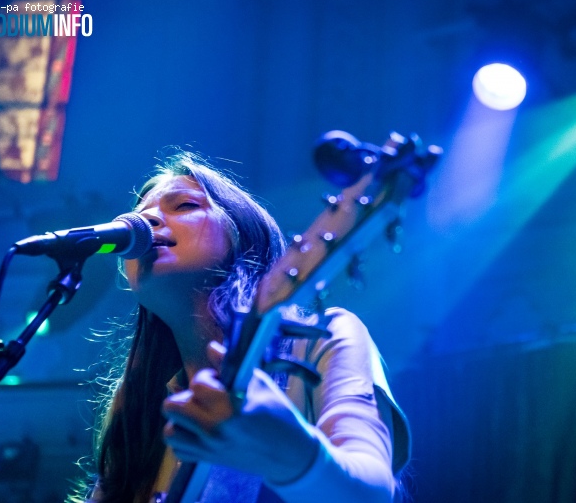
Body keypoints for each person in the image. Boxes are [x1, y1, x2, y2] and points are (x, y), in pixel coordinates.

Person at [72, 150, 410, 503]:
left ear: (243, 237)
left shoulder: (323, 339)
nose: (148, 221)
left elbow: (371, 492)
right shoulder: (142, 400)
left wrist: (286, 445)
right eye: (139, 216)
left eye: (184, 206)